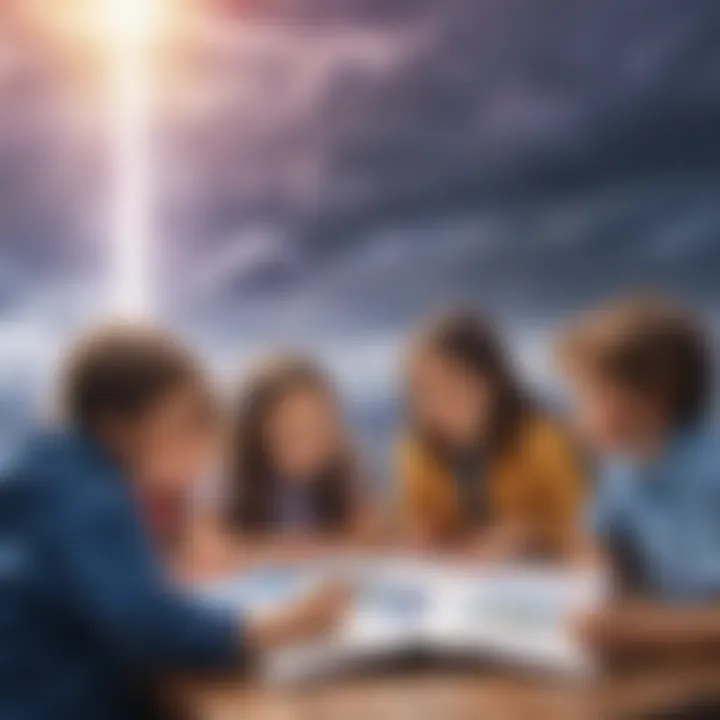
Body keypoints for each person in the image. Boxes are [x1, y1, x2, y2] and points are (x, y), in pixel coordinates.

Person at [0, 324, 348, 720]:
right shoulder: (89, 497)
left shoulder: (53, 467)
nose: (195, 447)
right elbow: (144, 623)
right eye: (182, 423)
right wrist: (275, 627)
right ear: (118, 426)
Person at [557, 297, 720, 665]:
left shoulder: (711, 475)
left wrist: (638, 627)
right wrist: (598, 570)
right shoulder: (624, 466)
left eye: (589, 395)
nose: (577, 414)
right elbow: (593, 537)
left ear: (650, 398)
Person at [397, 310, 585, 559]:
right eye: (423, 391)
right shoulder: (417, 451)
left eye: (453, 384)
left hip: (542, 575)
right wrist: (426, 534)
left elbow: (584, 528)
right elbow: (418, 522)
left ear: (491, 382)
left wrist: (527, 534)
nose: (439, 402)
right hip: (466, 580)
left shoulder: (539, 440)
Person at [222, 354, 379, 560]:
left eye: (320, 428)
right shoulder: (234, 479)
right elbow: (207, 547)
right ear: (258, 437)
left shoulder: (346, 472)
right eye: (292, 435)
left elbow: (372, 542)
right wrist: (285, 549)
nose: (310, 446)